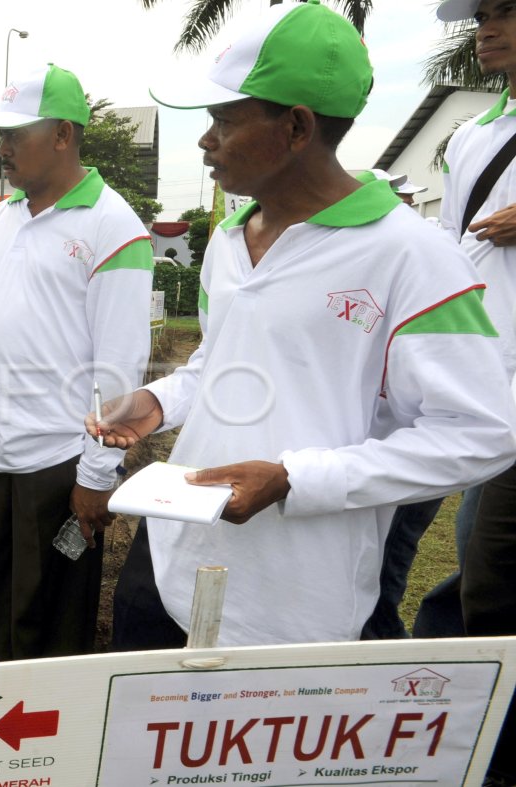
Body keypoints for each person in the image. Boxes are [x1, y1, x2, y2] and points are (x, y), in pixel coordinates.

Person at [90, 0, 516, 650]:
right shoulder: (231, 242)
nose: (206, 140)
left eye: (224, 121)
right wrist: (157, 400)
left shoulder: (414, 258)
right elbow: (219, 364)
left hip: (290, 600)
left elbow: (482, 432)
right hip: (172, 551)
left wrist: (294, 478)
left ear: (296, 127)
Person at [0, 63, 153, 662]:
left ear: (63, 134)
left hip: (55, 460)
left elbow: (118, 369)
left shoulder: (114, 228)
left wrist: (95, 475)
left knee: (48, 619)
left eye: (16, 134)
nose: (2, 148)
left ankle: (45, 741)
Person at [430, 1, 516, 783]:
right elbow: (455, 259)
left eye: (507, 10)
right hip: (489, 382)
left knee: (489, 565)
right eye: (482, 14)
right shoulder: (473, 139)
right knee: (478, 554)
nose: (486, 27)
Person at [358, 168, 443, 641]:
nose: (404, 205)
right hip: (366, 449)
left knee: (385, 567)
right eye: (395, 196)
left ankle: (380, 662)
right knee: (371, 566)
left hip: (405, 450)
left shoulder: (425, 253)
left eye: (408, 198)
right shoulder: (360, 256)